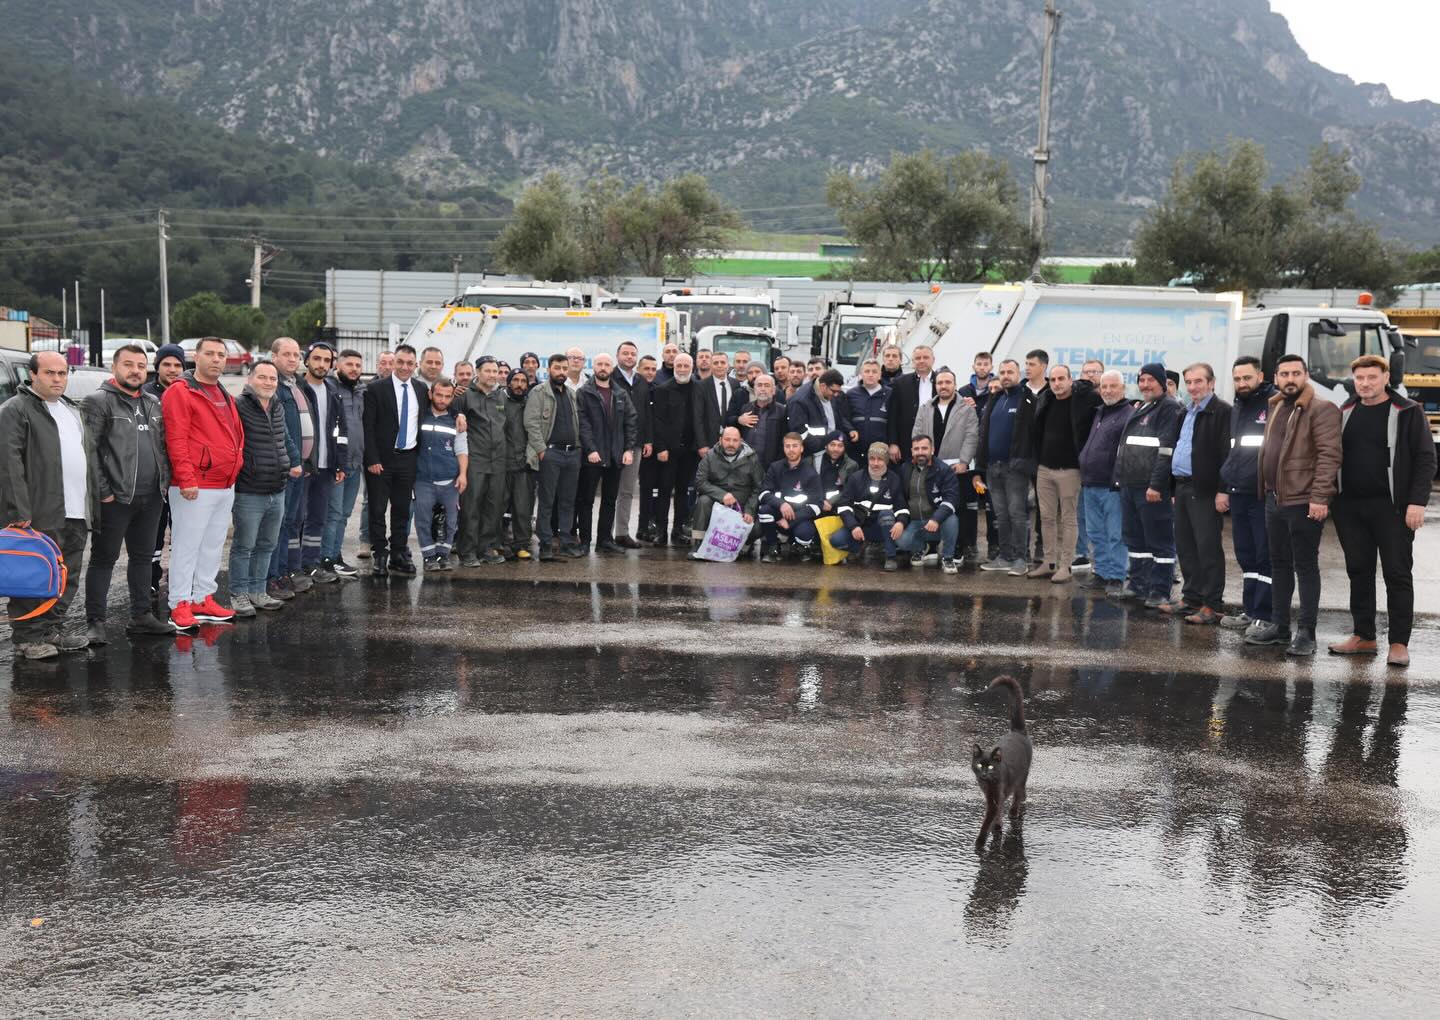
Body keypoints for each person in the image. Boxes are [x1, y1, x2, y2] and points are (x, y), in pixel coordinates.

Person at [1328, 355, 1435, 667]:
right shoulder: (1345, 410)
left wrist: (1417, 502)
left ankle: (1399, 643)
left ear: (1386, 377)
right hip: (1350, 507)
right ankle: (1364, 636)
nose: (1365, 383)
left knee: (1397, 574)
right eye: (1359, 378)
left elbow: (1426, 458)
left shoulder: (1408, 412)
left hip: (1393, 508)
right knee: (1358, 571)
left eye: (1372, 377)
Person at [0, 351, 98, 658]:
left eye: (62, 373)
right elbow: (9, 463)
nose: (57, 379)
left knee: (66, 577)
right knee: (33, 576)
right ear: (32, 375)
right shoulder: (15, 409)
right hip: (40, 511)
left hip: (76, 510)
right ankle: (28, 638)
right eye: (49, 373)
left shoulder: (71, 410)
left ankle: (52, 631)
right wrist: (18, 510)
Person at [1244, 355, 1342, 656]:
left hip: (1303, 501)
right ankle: (1280, 627)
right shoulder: (1276, 405)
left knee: (1305, 566)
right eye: (1284, 373)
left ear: (1306, 375)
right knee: (1279, 564)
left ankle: (1307, 633)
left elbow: (1329, 456)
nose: (1290, 379)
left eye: (1295, 373)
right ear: (1276, 377)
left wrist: (1319, 497)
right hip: (1274, 499)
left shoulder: (1322, 408)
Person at [81, 343, 172, 641]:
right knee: (103, 559)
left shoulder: (153, 402)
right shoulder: (98, 402)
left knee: (143, 558)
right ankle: (95, 622)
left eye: (140, 366)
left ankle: (141, 616)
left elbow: (162, 447)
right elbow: (89, 451)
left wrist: (164, 484)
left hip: (151, 497)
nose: (135, 371)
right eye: (128, 365)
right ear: (114, 368)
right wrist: (103, 492)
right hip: (115, 498)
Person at [161, 337, 242, 629]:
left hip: (224, 483)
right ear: (196, 357)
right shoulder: (180, 391)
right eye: (210, 353)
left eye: (221, 354)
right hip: (195, 484)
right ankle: (179, 603)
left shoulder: (223, 392)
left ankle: (202, 598)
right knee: (187, 546)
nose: (216, 359)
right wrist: (186, 478)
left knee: (212, 545)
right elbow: (176, 439)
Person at [229, 360, 299, 617]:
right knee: (244, 545)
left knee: (267, 544)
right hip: (249, 490)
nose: (268, 382)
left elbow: (285, 437)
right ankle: (239, 593)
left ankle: (258, 590)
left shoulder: (277, 406)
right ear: (250, 379)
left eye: (272, 378)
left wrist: (294, 461)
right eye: (262, 377)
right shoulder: (238, 406)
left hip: (277, 488)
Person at [1112, 363, 1183, 609]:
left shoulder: (1169, 408)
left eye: (1150, 380)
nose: (1145, 385)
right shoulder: (1143, 406)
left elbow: (1165, 451)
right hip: (1131, 485)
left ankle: (1160, 590)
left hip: (1151, 489)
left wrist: (1156, 485)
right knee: (1136, 539)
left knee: (1159, 540)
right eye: (1141, 380)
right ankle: (1138, 585)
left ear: (1162, 383)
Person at [1165, 363, 1232, 623]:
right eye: (1189, 382)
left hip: (1205, 489)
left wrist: (1223, 491)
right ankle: (1191, 597)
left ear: (1211, 383)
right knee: (1185, 546)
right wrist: (1173, 487)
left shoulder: (1222, 411)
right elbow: (1177, 447)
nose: (1193, 387)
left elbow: (1227, 454)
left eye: (1198, 382)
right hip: (1182, 487)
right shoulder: (1185, 411)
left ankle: (1212, 605)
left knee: (1208, 547)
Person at [362, 343, 428, 578]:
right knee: (377, 509)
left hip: (408, 459)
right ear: (393, 363)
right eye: (400, 362)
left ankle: (399, 553)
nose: (404, 367)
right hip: (380, 461)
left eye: (410, 363)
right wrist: (371, 458)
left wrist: (459, 414)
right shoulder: (376, 389)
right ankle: (380, 554)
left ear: (415, 365)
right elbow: (368, 427)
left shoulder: (421, 389)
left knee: (402, 509)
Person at [976, 359, 1038, 576]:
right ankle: (1005, 556)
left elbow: (1032, 435)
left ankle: (1021, 558)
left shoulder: (1026, 400)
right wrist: (980, 466)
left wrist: (1026, 462)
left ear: (1018, 374)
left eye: (1010, 372)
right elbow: (984, 434)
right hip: (993, 468)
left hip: (1015, 469)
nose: (1005, 376)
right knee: (1000, 515)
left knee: (1017, 513)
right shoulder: (996, 399)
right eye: (1002, 372)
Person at [912, 368, 978, 566]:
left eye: (948, 382)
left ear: (955, 385)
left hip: (957, 467)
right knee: (931, 506)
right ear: (936, 385)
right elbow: (917, 433)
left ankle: (957, 548)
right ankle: (931, 546)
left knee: (957, 509)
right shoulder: (925, 408)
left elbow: (972, 436)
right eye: (940, 383)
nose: (943, 386)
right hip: (931, 466)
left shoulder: (966, 408)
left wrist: (964, 461)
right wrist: (921, 458)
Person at [577, 352, 638, 553]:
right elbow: (582, 424)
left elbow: (631, 421)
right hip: (592, 456)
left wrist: (628, 449)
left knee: (610, 500)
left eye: (606, 364)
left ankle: (604, 540)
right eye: (599, 364)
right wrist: (590, 449)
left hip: (615, 455)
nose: (603, 367)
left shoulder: (620, 393)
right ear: (593, 367)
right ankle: (585, 541)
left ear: (612, 368)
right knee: (586, 500)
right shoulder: (584, 393)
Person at [1077, 371, 1131, 596]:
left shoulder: (1128, 414)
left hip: (1112, 485)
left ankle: (1117, 577)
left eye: (1113, 386)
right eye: (1104, 386)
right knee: (1095, 532)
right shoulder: (1099, 412)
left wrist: (1117, 478)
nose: (1107, 390)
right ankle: (1101, 572)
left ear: (1123, 388)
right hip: (1090, 482)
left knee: (1115, 534)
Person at [266, 337, 313, 598]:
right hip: (284, 468)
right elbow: (279, 431)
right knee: (277, 524)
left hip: (298, 468)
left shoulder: (295, 385)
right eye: (287, 354)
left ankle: (282, 572)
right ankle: (271, 577)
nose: (293, 359)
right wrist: (292, 460)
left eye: (296, 354)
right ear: (274, 356)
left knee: (289, 523)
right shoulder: (273, 386)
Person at [526, 353, 585, 560]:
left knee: (568, 501)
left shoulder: (571, 394)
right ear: (548, 369)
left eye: (564, 368)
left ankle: (566, 542)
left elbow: (578, 423)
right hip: (550, 454)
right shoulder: (538, 392)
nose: (561, 372)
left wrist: (578, 449)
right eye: (557, 368)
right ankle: (545, 544)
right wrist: (542, 450)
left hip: (572, 454)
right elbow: (531, 423)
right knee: (547, 501)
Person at [1030, 364, 1085, 583]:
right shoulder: (1046, 400)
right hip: (1044, 469)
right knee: (1046, 518)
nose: (1057, 383)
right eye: (1053, 380)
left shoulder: (1080, 402)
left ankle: (1066, 566)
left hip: (1069, 470)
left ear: (1071, 380)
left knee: (1069, 519)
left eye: (1061, 378)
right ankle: (1049, 562)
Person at [298, 342, 348, 584]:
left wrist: (340, 463)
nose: (321, 364)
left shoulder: (332, 391)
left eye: (326, 360)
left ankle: (311, 563)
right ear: (307, 360)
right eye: (316, 358)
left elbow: (341, 431)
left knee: (318, 518)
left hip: (327, 466)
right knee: (295, 518)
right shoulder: (297, 389)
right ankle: (292, 567)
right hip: (303, 466)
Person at [455, 356, 508, 566]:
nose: (492, 375)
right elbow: (454, 417)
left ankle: (486, 548)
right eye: (488, 371)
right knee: (471, 506)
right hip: (475, 458)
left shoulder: (501, 396)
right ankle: (467, 551)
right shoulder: (464, 395)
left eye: (495, 371)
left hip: (498, 460)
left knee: (493, 506)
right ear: (478, 372)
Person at [414, 376, 469, 571]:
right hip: (423, 480)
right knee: (423, 520)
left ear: (452, 397)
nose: (442, 400)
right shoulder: (419, 416)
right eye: (439, 395)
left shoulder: (457, 421)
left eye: (447, 396)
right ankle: (429, 557)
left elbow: (462, 449)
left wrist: (463, 474)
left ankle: (443, 555)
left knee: (450, 522)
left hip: (450, 480)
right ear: (430, 394)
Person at [145, 342, 185, 608]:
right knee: (155, 533)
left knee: (181, 531)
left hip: (182, 476)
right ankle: (150, 579)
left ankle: (179, 579)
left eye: (177, 365)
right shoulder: (147, 395)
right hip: (155, 477)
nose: (172, 369)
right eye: (166, 364)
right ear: (157, 366)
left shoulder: (188, 392)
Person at [321, 348, 365, 579]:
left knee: (344, 514)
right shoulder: (329, 388)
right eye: (349, 364)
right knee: (333, 514)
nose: (354, 369)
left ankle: (335, 556)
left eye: (358, 365)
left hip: (355, 464)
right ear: (338, 365)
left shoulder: (361, 390)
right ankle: (325, 559)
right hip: (337, 464)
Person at [829, 443, 906, 569]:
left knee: (886, 515)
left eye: (880, 459)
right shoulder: (856, 478)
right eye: (872, 458)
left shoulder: (894, 479)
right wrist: (853, 526)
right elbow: (843, 506)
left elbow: (901, 507)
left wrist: (901, 523)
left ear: (886, 461)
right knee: (836, 541)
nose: (875, 463)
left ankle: (890, 556)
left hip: (883, 527)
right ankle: (859, 547)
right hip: (861, 525)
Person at [650, 353, 699, 546]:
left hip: (690, 450)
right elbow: (657, 421)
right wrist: (661, 448)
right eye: (679, 366)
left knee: (683, 492)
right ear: (674, 367)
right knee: (664, 491)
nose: (682, 369)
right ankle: (661, 532)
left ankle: (678, 531)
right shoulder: (663, 389)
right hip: (668, 451)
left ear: (692, 368)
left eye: (686, 366)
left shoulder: (699, 388)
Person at [894, 434, 961, 573]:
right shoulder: (905, 469)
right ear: (912, 451)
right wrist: (900, 521)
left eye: (924, 448)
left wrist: (936, 519)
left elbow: (952, 498)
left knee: (952, 519)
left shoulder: (944, 470)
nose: (920, 452)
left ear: (932, 449)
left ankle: (948, 558)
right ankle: (920, 549)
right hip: (914, 521)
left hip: (937, 523)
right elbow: (899, 498)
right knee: (900, 539)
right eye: (916, 449)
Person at [691, 425, 764, 551]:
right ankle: (699, 544)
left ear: (740, 441)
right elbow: (700, 482)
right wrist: (722, 495)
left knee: (759, 526)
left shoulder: (752, 458)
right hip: (716, 504)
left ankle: (744, 545)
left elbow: (759, 487)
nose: (731, 444)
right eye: (727, 439)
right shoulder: (710, 456)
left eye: (735, 440)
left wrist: (749, 510)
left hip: (742, 506)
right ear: (720, 440)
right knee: (703, 501)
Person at [757, 433, 823, 562]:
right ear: (783, 448)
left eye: (795, 446)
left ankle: (799, 546)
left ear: (801, 448)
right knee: (764, 511)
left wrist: (792, 520)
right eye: (787, 446)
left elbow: (818, 505)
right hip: (778, 511)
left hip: (800, 516)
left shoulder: (810, 473)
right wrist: (781, 504)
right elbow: (763, 493)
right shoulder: (775, 467)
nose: (791, 449)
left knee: (805, 532)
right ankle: (773, 547)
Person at [612, 340, 652, 549]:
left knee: (627, 490)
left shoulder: (641, 381)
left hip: (635, 443)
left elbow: (646, 413)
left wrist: (648, 439)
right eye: (625, 353)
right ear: (617, 356)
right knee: (610, 491)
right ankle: (604, 535)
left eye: (632, 354)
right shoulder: (609, 378)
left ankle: (621, 533)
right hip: (612, 443)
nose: (629, 357)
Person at [499, 369, 534, 559]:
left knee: (523, 509)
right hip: (502, 465)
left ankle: (521, 544)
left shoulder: (531, 404)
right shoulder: (499, 401)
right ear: (509, 382)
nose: (519, 384)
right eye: (516, 380)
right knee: (497, 507)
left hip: (523, 466)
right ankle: (495, 544)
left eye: (523, 381)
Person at [789, 368, 857, 461]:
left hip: (831, 451)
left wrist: (849, 429)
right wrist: (824, 446)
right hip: (813, 455)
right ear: (823, 386)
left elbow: (837, 416)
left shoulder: (829, 394)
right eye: (833, 391)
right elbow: (799, 433)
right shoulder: (800, 401)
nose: (836, 395)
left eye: (838, 391)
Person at [886, 345, 936, 463]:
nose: (921, 361)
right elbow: (892, 415)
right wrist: (893, 443)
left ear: (933, 360)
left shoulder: (942, 381)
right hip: (907, 443)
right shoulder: (900, 383)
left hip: (936, 440)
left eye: (925, 357)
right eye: (918, 358)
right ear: (913, 361)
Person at [634, 354, 662, 543]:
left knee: (655, 489)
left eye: (653, 369)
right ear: (639, 370)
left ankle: (652, 525)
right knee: (644, 489)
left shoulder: (657, 390)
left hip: (656, 446)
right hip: (640, 446)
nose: (650, 372)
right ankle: (642, 527)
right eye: (646, 369)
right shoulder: (635, 389)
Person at [694, 351, 739, 457]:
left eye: (722, 362)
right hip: (709, 440)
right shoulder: (701, 386)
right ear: (711, 365)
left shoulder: (735, 384)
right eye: (715, 363)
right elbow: (697, 417)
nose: (719, 366)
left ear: (728, 365)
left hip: (731, 440)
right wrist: (702, 444)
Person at [736, 373, 787, 468]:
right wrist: (739, 420)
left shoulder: (782, 411)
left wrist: (777, 465)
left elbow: (784, 441)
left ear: (773, 390)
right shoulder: (746, 408)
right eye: (759, 385)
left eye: (767, 385)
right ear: (754, 389)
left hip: (770, 466)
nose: (762, 389)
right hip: (745, 466)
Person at [846, 359, 890, 464]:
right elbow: (844, 417)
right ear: (861, 374)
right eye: (867, 371)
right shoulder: (851, 394)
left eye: (874, 372)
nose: (870, 375)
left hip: (881, 453)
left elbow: (895, 422)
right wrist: (850, 430)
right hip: (856, 451)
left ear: (880, 375)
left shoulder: (890, 394)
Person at [817, 433, 859, 517]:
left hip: (838, 507)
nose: (836, 449)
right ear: (826, 446)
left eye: (840, 446)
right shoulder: (815, 461)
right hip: (815, 505)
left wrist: (830, 502)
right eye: (832, 445)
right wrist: (820, 501)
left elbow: (849, 490)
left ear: (844, 448)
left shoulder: (851, 465)